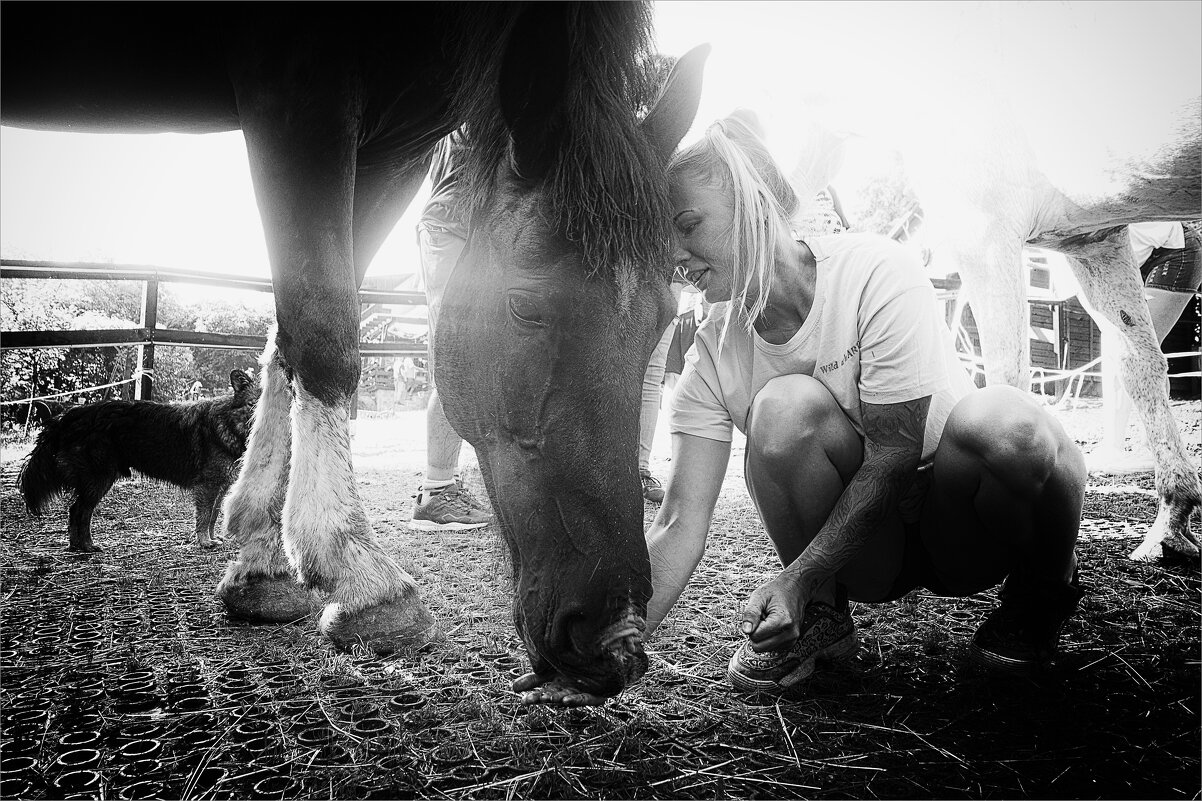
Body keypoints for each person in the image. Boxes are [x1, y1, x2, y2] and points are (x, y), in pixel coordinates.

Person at [645, 114, 1088, 694]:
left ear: (751, 199)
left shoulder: (873, 269)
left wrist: (795, 576)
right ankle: (824, 621)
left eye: (688, 223)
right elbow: (678, 522)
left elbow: (896, 454)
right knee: (782, 409)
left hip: (963, 526)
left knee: (1005, 423)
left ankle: (1041, 589)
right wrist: (609, 642)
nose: (674, 255)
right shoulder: (711, 349)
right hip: (868, 560)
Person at [410, 131, 495, 531]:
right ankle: (437, 491)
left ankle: (442, 486)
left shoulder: (471, 84)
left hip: (456, 225)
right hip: (457, 227)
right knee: (457, 358)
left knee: (469, 356)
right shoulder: (500, 81)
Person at [1096, 220, 1202, 466]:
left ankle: (1151, 446)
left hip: (1178, 250)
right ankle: (1119, 445)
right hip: (1147, 255)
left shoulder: (1106, 230)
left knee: (1133, 347)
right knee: (1118, 341)